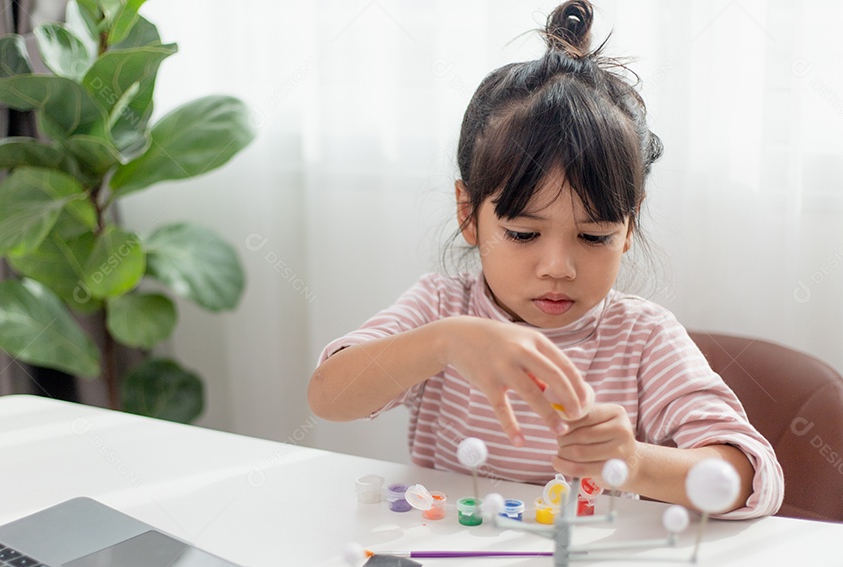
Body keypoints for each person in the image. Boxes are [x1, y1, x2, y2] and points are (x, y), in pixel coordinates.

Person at [307, 0, 782, 519]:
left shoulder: (642, 338)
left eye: (595, 236)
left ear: (629, 226)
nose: (558, 266)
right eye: (523, 232)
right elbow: (330, 396)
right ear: (469, 213)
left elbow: (752, 477)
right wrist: (444, 342)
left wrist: (636, 463)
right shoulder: (442, 309)